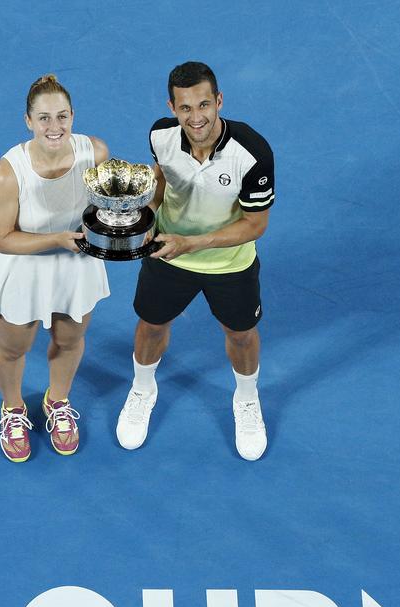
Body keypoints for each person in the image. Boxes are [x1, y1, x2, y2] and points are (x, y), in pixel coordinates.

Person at [116, 61, 275, 461]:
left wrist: (194, 243)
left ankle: (246, 399)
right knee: (151, 326)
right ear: (172, 106)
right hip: (169, 252)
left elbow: (255, 225)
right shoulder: (161, 136)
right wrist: (147, 216)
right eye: (185, 108)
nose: (196, 117)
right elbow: (162, 176)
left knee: (241, 335)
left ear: (219, 101)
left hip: (229, 264)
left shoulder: (252, 153)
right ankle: (142, 388)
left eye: (204, 105)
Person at [0, 74, 111, 462]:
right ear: (28, 121)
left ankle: (57, 402)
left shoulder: (96, 153)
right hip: (26, 268)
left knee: (70, 339)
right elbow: (3, 239)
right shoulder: (8, 171)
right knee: (13, 346)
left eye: (61, 117)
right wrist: (57, 239)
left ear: (73, 115)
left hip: (77, 266)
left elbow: (103, 208)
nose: (54, 127)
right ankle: (13, 409)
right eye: (43, 118)